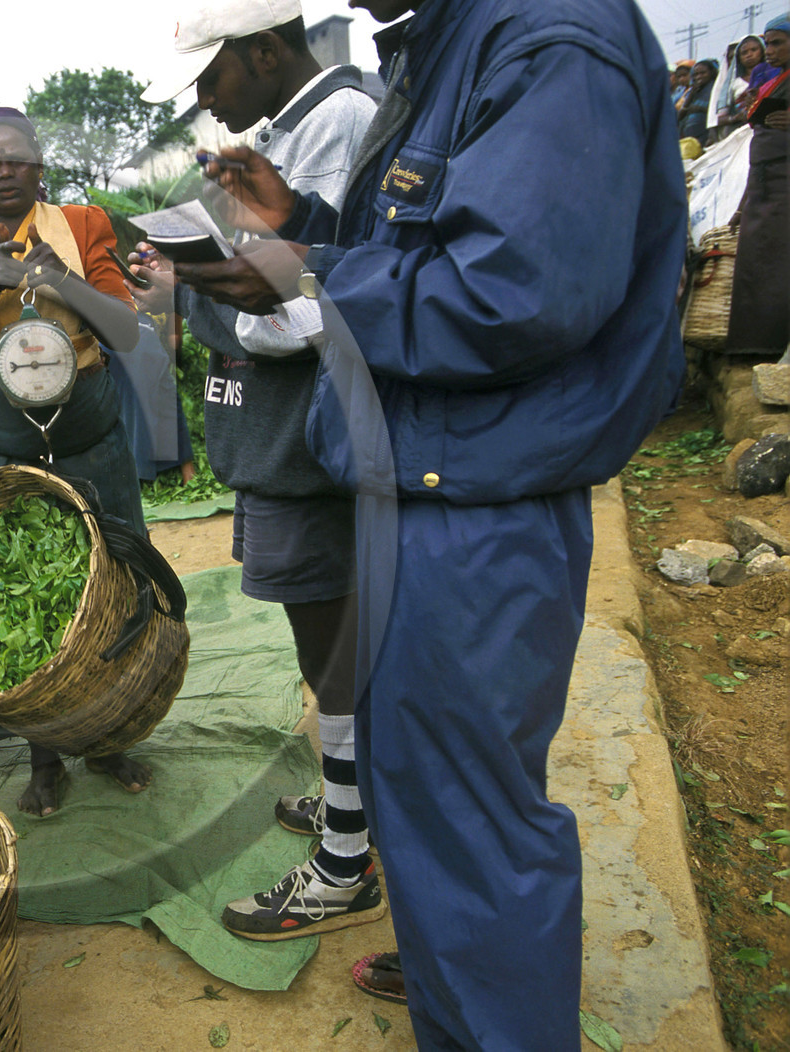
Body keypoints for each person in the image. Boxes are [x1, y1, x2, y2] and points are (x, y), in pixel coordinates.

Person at [173, 0, 686, 1045]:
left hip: (479, 503)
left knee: (470, 822)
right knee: (425, 799)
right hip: (427, 488)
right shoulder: (446, 41)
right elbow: (429, 245)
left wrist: (310, 274)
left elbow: (516, 293)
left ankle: (491, 1006)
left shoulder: (548, 38)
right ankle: (459, 982)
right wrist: (306, 222)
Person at [134, 0, 382, 943]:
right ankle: (350, 800)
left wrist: (195, 296)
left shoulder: (339, 124)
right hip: (276, 442)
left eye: (212, 77)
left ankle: (348, 861)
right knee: (324, 653)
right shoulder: (287, 132)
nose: (204, 100)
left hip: (307, 449)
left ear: (269, 51)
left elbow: (299, 312)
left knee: (337, 655)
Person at [0, 107, 152, 816]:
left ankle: (110, 738)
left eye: (16, 158)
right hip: (5, 444)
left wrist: (63, 280)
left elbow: (126, 334)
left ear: (38, 167)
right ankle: (44, 756)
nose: (4, 172)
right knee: (26, 588)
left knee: (115, 580)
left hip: (91, 436)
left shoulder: (82, 227)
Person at [725, 16, 789, 359]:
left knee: (780, 264)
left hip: (785, 186)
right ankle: (755, 348)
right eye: (769, 43)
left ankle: (776, 346)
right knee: (756, 266)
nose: (770, 51)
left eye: (778, 42)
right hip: (763, 183)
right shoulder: (774, 83)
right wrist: (742, 205)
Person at [678, 59, 718, 143]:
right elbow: (680, 116)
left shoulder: (716, 88)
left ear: (711, 72)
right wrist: (691, 94)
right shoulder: (693, 92)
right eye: (696, 74)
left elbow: (717, 113)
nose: (699, 77)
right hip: (690, 138)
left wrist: (699, 109)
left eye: (703, 73)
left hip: (707, 135)